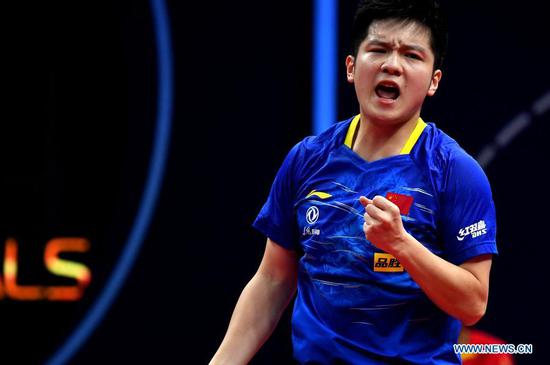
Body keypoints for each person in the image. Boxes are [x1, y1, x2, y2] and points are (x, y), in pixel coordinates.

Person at [210, 0, 498, 363]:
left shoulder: (455, 170)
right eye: (378, 49)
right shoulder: (307, 159)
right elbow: (272, 280)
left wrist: (401, 245)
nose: (392, 65)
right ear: (351, 67)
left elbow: (472, 304)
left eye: (412, 55)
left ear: (433, 82)